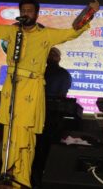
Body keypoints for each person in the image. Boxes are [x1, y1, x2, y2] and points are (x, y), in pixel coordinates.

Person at [0, 0, 99, 188]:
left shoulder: (46, 34)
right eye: (23, 10)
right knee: (10, 133)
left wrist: (90, 13)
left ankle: (21, 180)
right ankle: (6, 175)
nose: (26, 13)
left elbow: (71, 32)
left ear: (36, 14)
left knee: (26, 134)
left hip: (32, 88)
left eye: (30, 10)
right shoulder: (12, 31)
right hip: (12, 86)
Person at [31, 47, 72, 188]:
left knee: (45, 149)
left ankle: (41, 180)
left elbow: (62, 95)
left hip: (49, 116)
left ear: (59, 58)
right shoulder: (38, 71)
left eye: (54, 55)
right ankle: (36, 180)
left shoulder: (61, 74)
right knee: (39, 149)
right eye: (49, 54)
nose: (51, 57)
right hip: (41, 116)